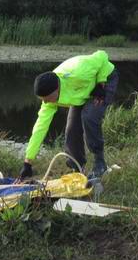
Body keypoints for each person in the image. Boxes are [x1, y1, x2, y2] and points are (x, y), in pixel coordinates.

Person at [17, 50, 119, 182]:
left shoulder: (79, 71)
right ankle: (77, 168)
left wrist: (101, 81)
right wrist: (27, 163)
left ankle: (100, 163)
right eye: (42, 99)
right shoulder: (49, 98)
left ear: (57, 89)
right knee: (71, 129)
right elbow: (40, 127)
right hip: (81, 92)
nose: (45, 102)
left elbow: (102, 56)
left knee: (89, 116)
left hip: (105, 79)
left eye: (47, 98)